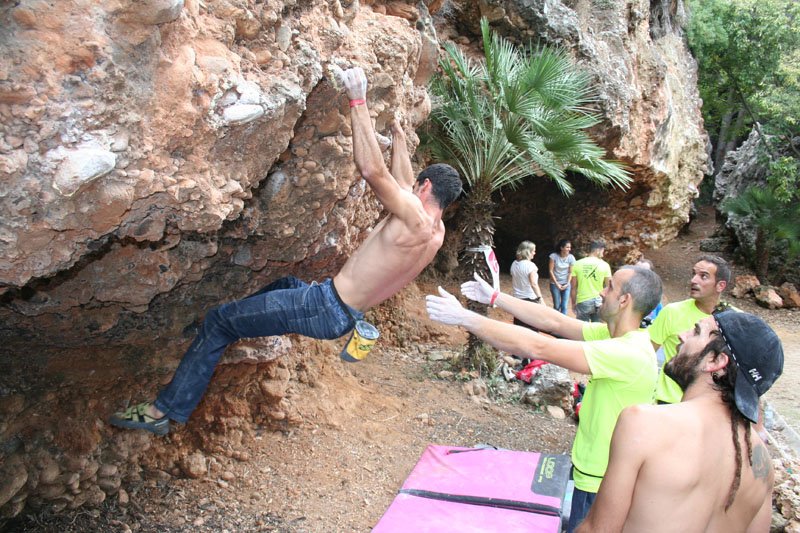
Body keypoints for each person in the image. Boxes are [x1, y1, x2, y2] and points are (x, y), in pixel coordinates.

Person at [109, 67, 462, 436]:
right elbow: (404, 181)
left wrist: (358, 99)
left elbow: (373, 171)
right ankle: (231, 328)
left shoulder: (411, 216)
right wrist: (399, 134)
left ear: (425, 187)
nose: (411, 186)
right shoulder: (434, 233)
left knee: (219, 322)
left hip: (323, 306)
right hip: (341, 315)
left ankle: (163, 410)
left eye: (417, 184)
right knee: (286, 284)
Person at [426, 265, 662, 532]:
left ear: (624, 300)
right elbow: (554, 321)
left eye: (609, 287)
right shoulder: (618, 337)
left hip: (600, 481)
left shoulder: (626, 352)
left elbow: (539, 346)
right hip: (596, 472)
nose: (601, 291)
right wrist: (495, 297)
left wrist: (466, 317)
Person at [577, 311, 783, 532]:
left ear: (715, 361)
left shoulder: (644, 424)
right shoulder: (763, 466)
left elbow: (599, 530)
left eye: (696, 331)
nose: (682, 335)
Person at [649, 254, 731, 404]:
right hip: (668, 403)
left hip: (708, 406)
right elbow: (646, 352)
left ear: (720, 285)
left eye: (703, 276)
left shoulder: (734, 320)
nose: (694, 280)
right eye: (694, 274)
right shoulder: (672, 312)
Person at [570, 240, 611, 322]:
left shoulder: (577, 264)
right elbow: (609, 286)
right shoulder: (605, 265)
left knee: (582, 327)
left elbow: (573, 287)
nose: (603, 254)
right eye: (603, 251)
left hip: (583, 301)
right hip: (599, 301)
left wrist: (573, 303)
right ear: (598, 250)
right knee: (597, 327)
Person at [510, 240, 544, 328]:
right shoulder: (531, 266)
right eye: (533, 251)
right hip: (530, 299)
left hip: (517, 298)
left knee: (519, 327)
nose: (534, 253)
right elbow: (533, 284)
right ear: (528, 252)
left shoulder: (514, 264)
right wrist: (540, 298)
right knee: (532, 327)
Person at [549, 239, 576, 315]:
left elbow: (570, 272)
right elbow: (551, 271)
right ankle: (555, 319)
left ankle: (562, 321)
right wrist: (557, 284)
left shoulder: (571, 257)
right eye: (567, 247)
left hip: (566, 284)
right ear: (561, 248)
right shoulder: (553, 256)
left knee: (564, 306)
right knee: (557, 306)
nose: (569, 249)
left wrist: (567, 283)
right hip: (554, 283)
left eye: (570, 247)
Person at [636, 257, 662, 326]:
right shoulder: (622, 296)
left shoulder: (656, 300)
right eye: (636, 271)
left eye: (644, 273)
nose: (638, 276)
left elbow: (659, 323)